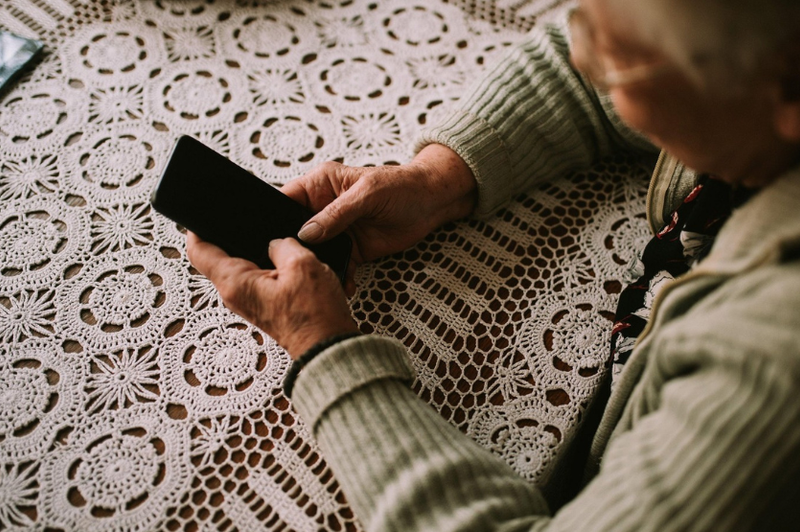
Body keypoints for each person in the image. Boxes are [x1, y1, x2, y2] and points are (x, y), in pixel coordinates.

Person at [187, 0, 800, 529]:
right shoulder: (747, 75)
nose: (580, 54)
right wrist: (439, 180)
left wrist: (322, 349)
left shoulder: (770, 363)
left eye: (617, 61)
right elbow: (584, 66)